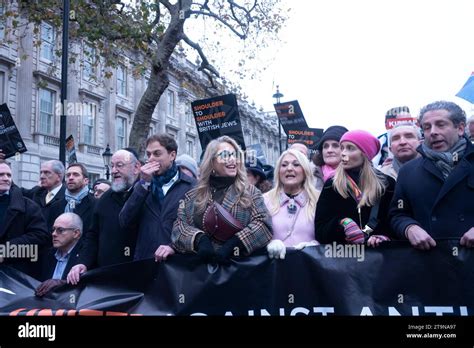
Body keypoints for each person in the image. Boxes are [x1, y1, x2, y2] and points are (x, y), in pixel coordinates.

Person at [168, 135, 272, 264]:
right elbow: (179, 228)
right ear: (212, 162)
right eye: (225, 155)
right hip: (201, 273)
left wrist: (236, 242)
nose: (233, 160)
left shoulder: (250, 192)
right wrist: (198, 239)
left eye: (235, 155)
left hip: (238, 270)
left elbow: (264, 225)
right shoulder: (193, 195)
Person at [390, 101, 474, 250]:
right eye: (427, 127)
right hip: (431, 261)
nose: (433, 132)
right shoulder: (408, 171)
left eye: (440, 125)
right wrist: (409, 228)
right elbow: (398, 214)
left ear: (460, 128)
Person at [67, 149, 141, 285]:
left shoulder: (148, 194)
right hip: (106, 277)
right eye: (111, 166)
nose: (113, 171)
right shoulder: (106, 198)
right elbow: (93, 235)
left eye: (119, 165)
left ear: (136, 168)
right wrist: (83, 262)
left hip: (138, 277)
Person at [119, 134, 196, 261]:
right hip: (145, 263)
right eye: (148, 154)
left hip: (178, 265)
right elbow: (125, 221)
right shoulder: (142, 185)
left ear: (172, 155)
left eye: (157, 154)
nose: (151, 159)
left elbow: (197, 227)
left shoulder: (191, 186)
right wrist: (143, 184)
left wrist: (174, 247)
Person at [315, 130, 395, 247]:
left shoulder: (387, 184)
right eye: (342, 148)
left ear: (365, 153)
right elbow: (320, 231)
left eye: (350, 148)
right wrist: (342, 224)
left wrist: (384, 236)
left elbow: (394, 220)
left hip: (379, 259)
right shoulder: (331, 185)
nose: (343, 153)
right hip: (344, 260)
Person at [264, 149, 320, 259]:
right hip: (273, 269)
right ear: (278, 172)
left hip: (309, 268)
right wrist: (268, 244)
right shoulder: (263, 200)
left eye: (296, 164)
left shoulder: (319, 199)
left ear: (305, 171)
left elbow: (329, 237)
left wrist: (316, 246)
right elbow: (254, 236)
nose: (289, 168)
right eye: (284, 165)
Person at [0, 160, 49, 275]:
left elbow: (40, 236)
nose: (6, 178)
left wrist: (5, 252)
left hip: (15, 273)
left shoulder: (28, 206)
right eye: (1, 175)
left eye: (9, 175)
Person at [35, 212, 83, 297]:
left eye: (60, 230)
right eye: (53, 229)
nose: (54, 234)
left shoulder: (84, 259)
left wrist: (61, 284)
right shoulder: (46, 255)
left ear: (76, 233)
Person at [47, 163, 95, 234]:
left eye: (76, 174)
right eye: (68, 175)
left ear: (86, 181)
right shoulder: (55, 206)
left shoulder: (96, 205)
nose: (71, 178)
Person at [22, 160, 66, 225]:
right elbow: (17, 191)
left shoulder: (67, 196)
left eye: (47, 173)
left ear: (58, 177)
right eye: (41, 172)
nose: (41, 176)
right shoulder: (37, 192)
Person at [312, 125, 348, 190]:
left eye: (335, 145)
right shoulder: (309, 175)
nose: (329, 150)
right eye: (325, 146)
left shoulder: (359, 177)